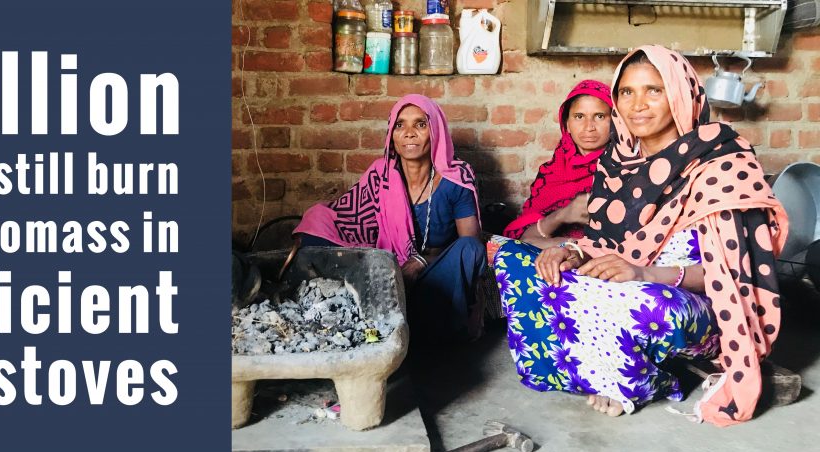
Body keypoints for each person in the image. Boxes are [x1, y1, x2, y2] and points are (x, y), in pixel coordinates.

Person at [490, 45, 787, 426]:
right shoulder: (617, 165)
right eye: (627, 92)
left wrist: (644, 274)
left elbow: (732, 275)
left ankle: (645, 382)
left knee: (633, 300)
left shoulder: (719, 163)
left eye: (653, 90)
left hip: (689, 306)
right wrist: (572, 254)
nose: (637, 105)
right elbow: (604, 246)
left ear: (679, 94)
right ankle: (580, 371)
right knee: (516, 260)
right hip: (624, 286)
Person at [295, 94, 486, 343]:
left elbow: (470, 245)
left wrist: (421, 261)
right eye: (400, 125)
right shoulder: (381, 176)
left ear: (436, 131)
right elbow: (344, 218)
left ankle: (423, 329)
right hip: (388, 279)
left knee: (470, 249)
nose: (409, 133)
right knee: (316, 222)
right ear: (391, 135)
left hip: (436, 279)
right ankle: (386, 320)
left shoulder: (455, 177)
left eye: (420, 124)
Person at [502, 80, 612, 249]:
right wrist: (563, 215)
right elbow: (526, 236)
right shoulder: (552, 172)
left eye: (600, 116)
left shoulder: (625, 168)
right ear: (567, 124)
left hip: (602, 258)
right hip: (552, 252)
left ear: (614, 122)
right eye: (579, 117)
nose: (589, 127)